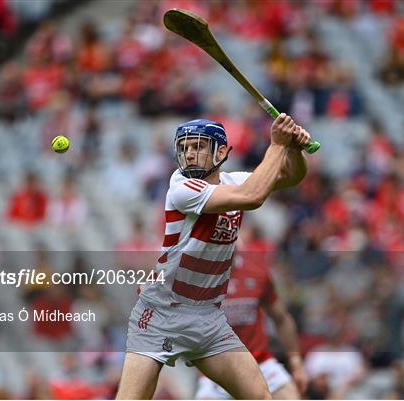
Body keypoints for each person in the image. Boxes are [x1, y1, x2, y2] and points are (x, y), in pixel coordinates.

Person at [116, 113, 310, 399]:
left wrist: (293, 147)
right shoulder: (182, 188)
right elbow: (253, 197)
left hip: (208, 317)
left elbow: (290, 176)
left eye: (198, 146)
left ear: (221, 152)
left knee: (261, 397)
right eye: (184, 148)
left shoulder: (235, 180)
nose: (189, 154)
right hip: (161, 312)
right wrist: (277, 144)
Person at [195, 224, 308, 399]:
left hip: (261, 362)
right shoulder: (195, 280)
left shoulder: (258, 273)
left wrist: (296, 362)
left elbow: (282, 319)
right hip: (217, 370)